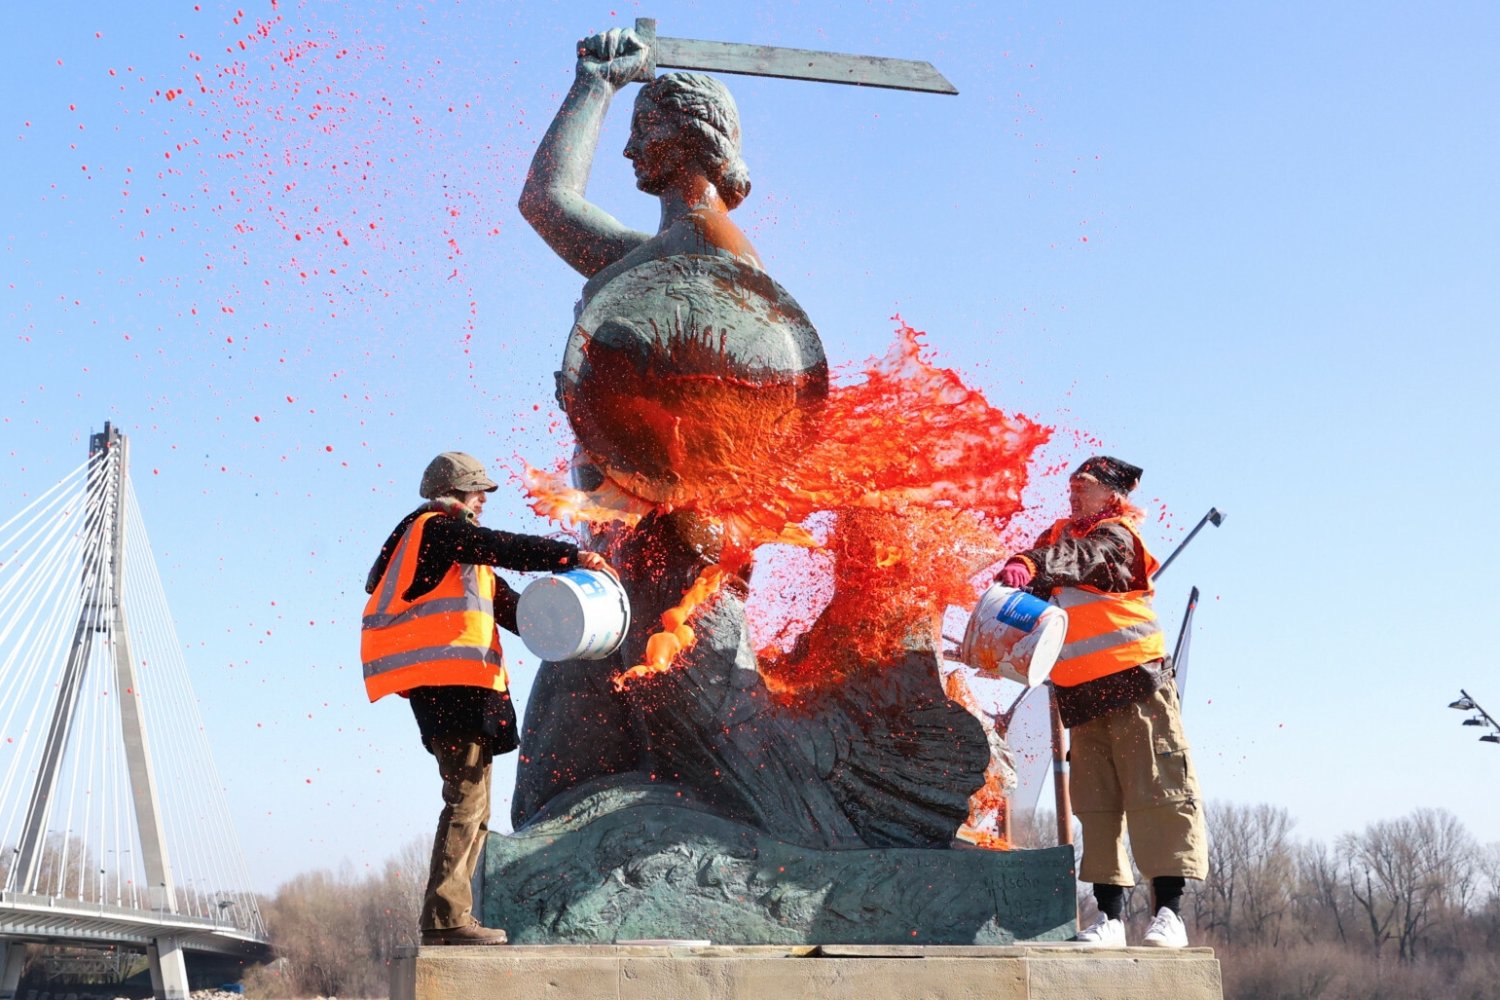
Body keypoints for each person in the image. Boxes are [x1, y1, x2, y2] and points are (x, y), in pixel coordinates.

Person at [360, 451, 612, 946]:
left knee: (475, 806)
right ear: (455, 493)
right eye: (479, 491)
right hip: (449, 688)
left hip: (462, 689)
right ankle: (446, 920)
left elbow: (517, 613)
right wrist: (572, 556)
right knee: (465, 801)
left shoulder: (459, 558)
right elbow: (501, 546)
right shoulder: (437, 530)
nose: (482, 501)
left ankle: (456, 916)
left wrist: (574, 634)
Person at [995, 456, 1207, 949]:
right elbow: (1036, 576)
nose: (1072, 493)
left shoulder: (1118, 537)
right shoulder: (1057, 538)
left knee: (1157, 794)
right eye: (1070, 485)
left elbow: (1080, 558)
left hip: (1137, 685)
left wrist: (1032, 563)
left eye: (1083, 486)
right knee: (1097, 807)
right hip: (1083, 697)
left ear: (1112, 495)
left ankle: (1169, 915)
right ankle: (1110, 919)